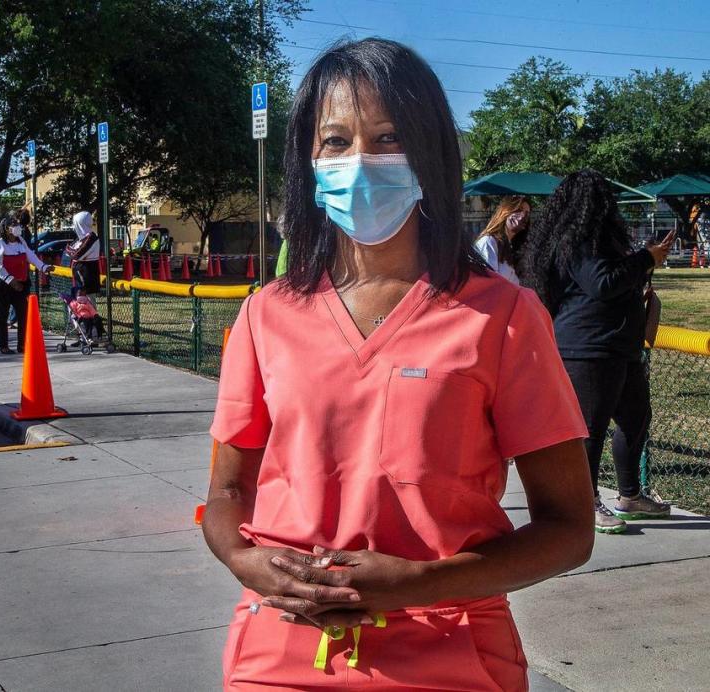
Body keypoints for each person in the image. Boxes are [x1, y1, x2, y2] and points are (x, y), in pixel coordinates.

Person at [201, 39, 594, 691]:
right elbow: (224, 494)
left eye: (388, 138)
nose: (362, 162)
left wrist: (420, 582)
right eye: (336, 141)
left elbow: (568, 528)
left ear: (429, 155)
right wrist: (247, 561)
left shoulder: (503, 316)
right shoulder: (264, 315)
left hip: (453, 652)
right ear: (307, 159)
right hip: (280, 654)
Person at [521, 170, 676, 535]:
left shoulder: (600, 241)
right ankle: (585, 504)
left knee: (636, 419)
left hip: (619, 346)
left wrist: (643, 262)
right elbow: (603, 284)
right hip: (588, 348)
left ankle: (630, 496)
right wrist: (646, 259)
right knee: (590, 430)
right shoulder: (578, 242)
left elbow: (614, 279)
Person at [0, 214, 53, 354]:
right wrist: (11, 280)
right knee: (2, 316)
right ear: (6, 229)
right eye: (13, 224)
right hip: (5, 284)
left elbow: (30, 255)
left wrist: (43, 267)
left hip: (22, 283)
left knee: (23, 315)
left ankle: (22, 345)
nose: (17, 226)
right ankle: (4, 346)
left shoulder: (21, 241)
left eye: (17, 223)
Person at [474, 196, 531, 284]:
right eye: (518, 210)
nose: (523, 216)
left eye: (527, 213)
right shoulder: (488, 242)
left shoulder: (514, 248)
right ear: (506, 212)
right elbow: (487, 283)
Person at [66, 210, 101, 294]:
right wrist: (70, 250)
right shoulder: (80, 239)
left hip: (87, 283)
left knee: (88, 306)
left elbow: (76, 255)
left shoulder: (91, 238)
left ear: (81, 223)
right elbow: (67, 251)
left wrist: (70, 250)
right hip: (79, 280)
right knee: (78, 305)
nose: (74, 226)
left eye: (76, 223)